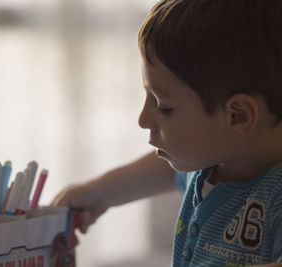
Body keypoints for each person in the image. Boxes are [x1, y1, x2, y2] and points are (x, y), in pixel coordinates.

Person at [52, 0, 282, 266]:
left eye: (163, 106)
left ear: (237, 116)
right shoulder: (212, 165)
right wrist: (100, 192)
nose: (143, 120)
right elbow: (167, 170)